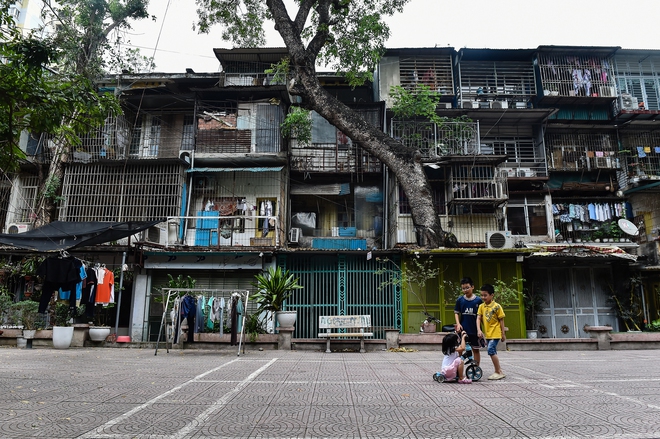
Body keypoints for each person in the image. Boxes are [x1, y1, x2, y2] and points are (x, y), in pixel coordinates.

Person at [476, 283, 506, 380]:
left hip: (496, 333)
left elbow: (501, 320)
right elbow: (478, 318)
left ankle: (498, 371)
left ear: (492, 295)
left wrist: (503, 333)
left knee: (491, 350)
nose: (483, 297)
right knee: (492, 351)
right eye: (482, 295)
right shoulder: (481, 306)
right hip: (488, 334)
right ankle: (499, 370)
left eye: (485, 295)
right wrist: (479, 329)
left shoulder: (497, 306)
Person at [454, 276, 483, 365]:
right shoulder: (460, 300)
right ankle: (459, 367)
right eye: (463, 288)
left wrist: (480, 329)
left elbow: (481, 315)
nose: (465, 290)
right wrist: (458, 324)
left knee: (475, 349)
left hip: (474, 329)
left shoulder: (478, 300)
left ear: (472, 287)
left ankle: (476, 368)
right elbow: (456, 313)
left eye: (467, 287)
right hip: (463, 329)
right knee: (461, 348)